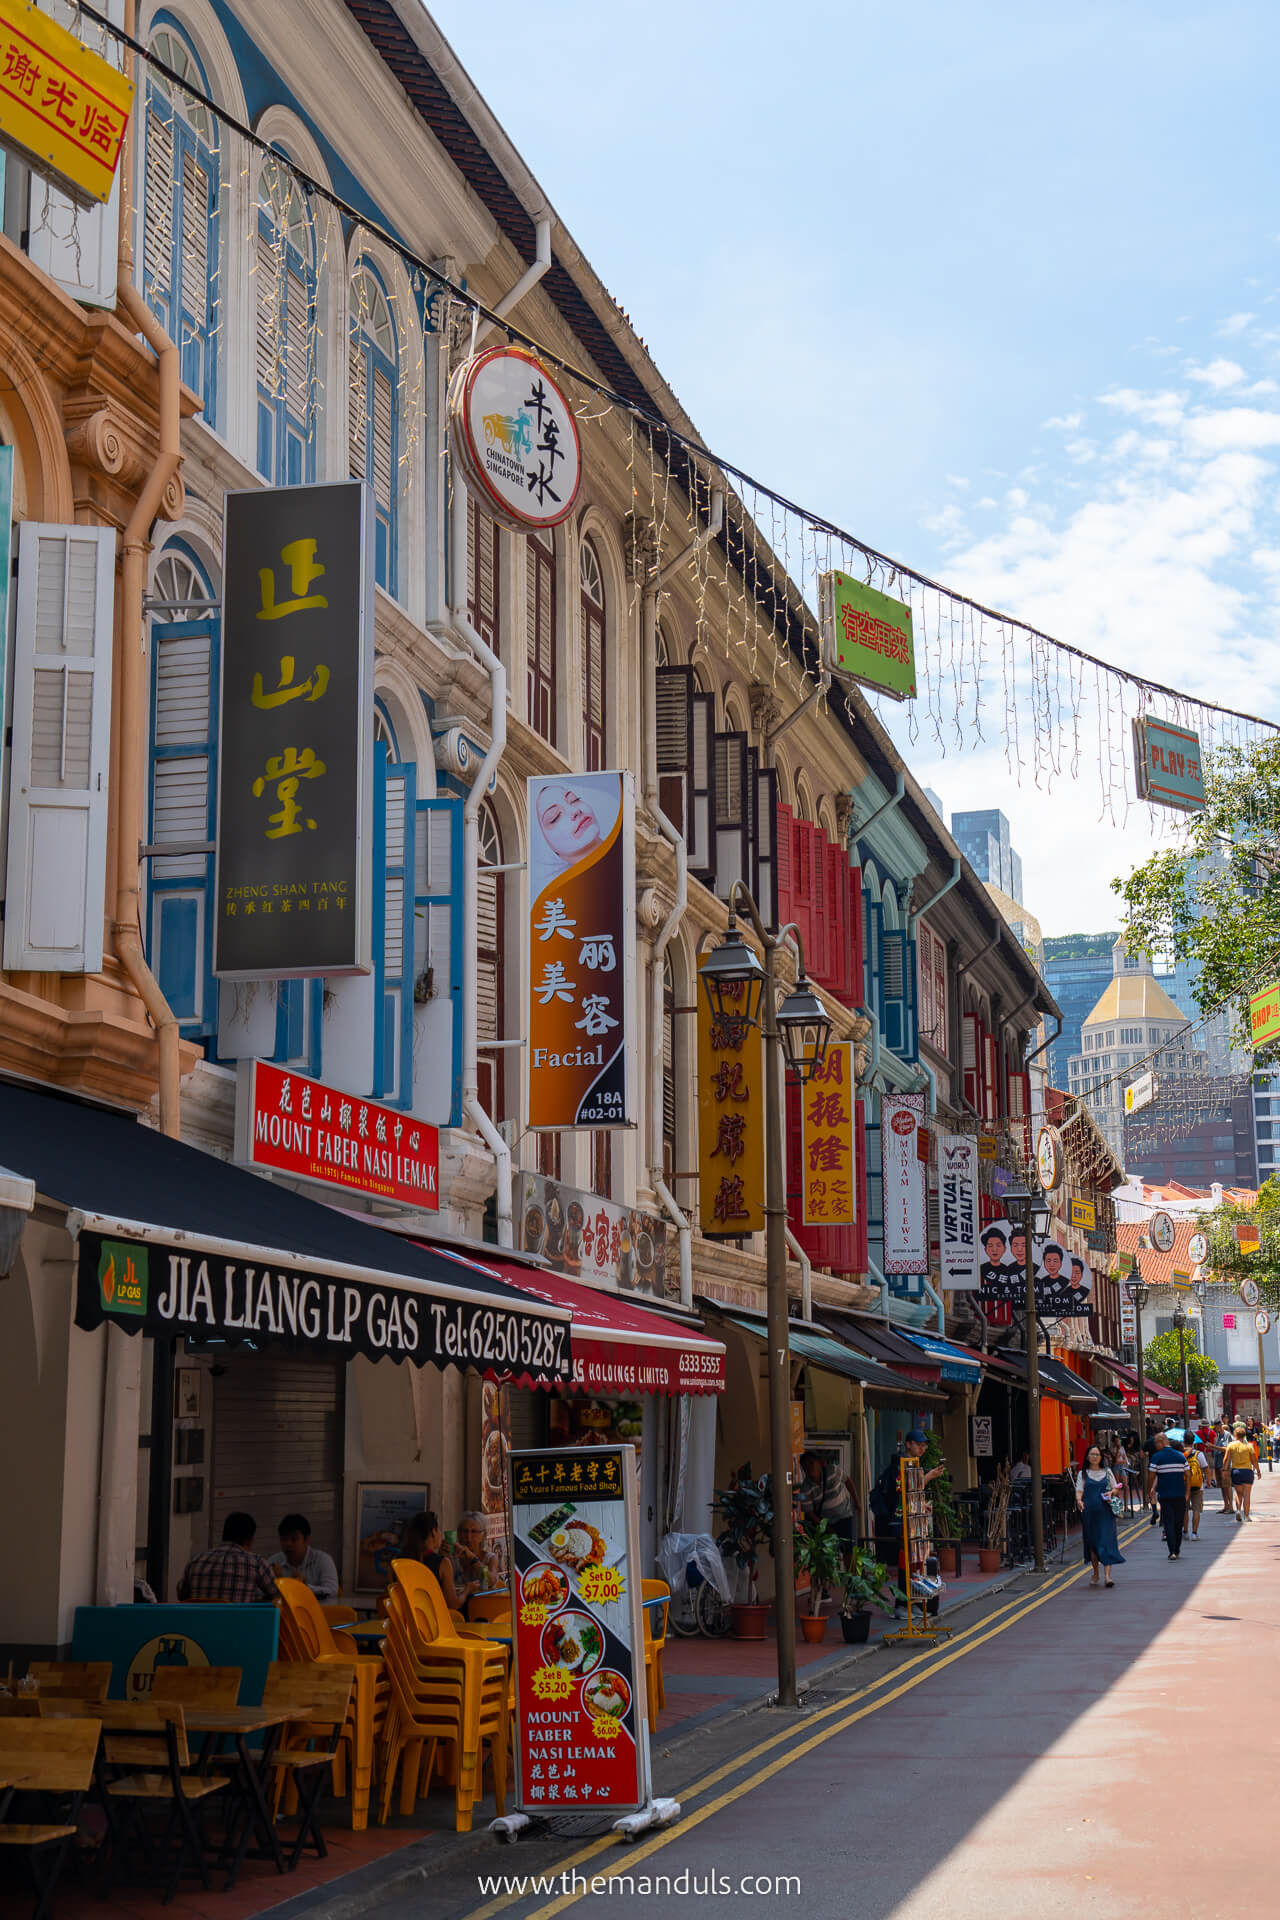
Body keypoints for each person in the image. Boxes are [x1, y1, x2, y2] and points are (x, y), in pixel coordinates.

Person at [178, 1511, 281, 1603]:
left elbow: (181, 1595)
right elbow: (279, 1598)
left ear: (224, 1536)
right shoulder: (256, 1563)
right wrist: (280, 1578)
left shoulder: (196, 1561)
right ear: (250, 1540)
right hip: (238, 1624)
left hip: (198, 1623)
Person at [1075, 1444, 1125, 1588]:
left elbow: (1115, 1488)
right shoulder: (1082, 1474)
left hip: (1106, 1513)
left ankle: (1108, 1577)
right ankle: (1096, 1573)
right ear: (1087, 1457)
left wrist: (1111, 1493)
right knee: (1093, 1544)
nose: (1095, 1457)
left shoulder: (1107, 1471)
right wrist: (1079, 1500)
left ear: (1101, 1457)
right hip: (1089, 1513)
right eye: (1092, 1454)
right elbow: (1079, 1491)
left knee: (1106, 1542)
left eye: (1097, 1454)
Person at [399, 1509, 462, 1610]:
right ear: (433, 1532)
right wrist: (468, 1589)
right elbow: (453, 1605)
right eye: (439, 1530)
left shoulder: (396, 1562)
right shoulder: (443, 1563)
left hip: (405, 1623)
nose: (440, 1534)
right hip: (433, 1623)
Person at [799, 1450, 857, 1559]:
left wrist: (857, 1502)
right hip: (825, 1522)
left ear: (818, 1463)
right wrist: (826, 1527)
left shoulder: (833, 1471)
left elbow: (848, 1480)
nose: (809, 1467)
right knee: (826, 1555)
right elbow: (810, 1514)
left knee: (848, 1551)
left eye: (811, 1463)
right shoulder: (805, 1488)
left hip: (844, 1516)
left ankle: (850, 1575)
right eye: (805, 1466)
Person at [268, 1513, 340, 1600]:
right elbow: (259, 1592)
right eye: (284, 1539)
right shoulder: (274, 1562)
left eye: (294, 1539)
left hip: (317, 1611)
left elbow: (332, 1591)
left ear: (307, 1540)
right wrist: (276, 1582)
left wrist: (304, 1587)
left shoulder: (323, 1560)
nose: (288, 1544)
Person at [1147, 1431, 1191, 1560]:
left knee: (1169, 1523)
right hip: (1180, 1495)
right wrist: (1187, 1493)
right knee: (1178, 1523)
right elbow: (1188, 1476)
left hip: (1165, 1496)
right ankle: (1176, 1548)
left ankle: (1172, 1550)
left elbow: (1151, 1476)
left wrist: (1150, 1490)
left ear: (1162, 1442)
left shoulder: (1156, 1457)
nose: (1155, 1445)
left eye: (1156, 1443)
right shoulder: (1180, 1456)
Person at [451, 1511, 501, 1605]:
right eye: (465, 1531)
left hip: (483, 1607)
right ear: (458, 1534)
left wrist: (473, 1559)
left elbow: (490, 1581)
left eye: (474, 1532)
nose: (468, 1537)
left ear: (484, 1535)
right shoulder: (452, 1559)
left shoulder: (490, 1558)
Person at [1224, 1423, 1258, 1523]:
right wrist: (1258, 1471)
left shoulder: (1231, 1445)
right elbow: (1254, 1460)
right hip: (1247, 1471)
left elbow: (1226, 1459)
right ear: (1244, 1435)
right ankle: (1247, 1516)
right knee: (1247, 1494)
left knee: (1238, 1493)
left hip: (1236, 1471)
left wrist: (1224, 1470)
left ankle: (1238, 1510)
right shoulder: (1249, 1446)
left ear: (1235, 1435)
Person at [1182, 1436, 1208, 1540]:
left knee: (1185, 1509)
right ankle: (1194, 1533)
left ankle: (1185, 1532)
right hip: (1198, 1486)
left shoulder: (1180, 1454)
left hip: (1184, 1485)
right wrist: (1209, 1481)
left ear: (1184, 1441)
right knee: (1196, 1510)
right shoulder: (1199, 1454)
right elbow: (1205, 1468)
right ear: (1193, 1442)